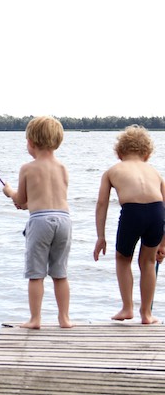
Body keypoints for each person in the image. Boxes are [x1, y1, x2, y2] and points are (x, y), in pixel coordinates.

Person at [3, 116, 73, 329]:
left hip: (40, 221)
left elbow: (21, 200)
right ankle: (64, 319)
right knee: (60, 273)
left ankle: (35, 319)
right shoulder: (62, 168)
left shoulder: (27, 168)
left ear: (31, 142)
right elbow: (47, 196)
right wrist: (26, 204)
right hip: (64, 220)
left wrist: (9, 193)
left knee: (36, 274)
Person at [93, 124, 165, 324]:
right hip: (156, 212)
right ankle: (147, 314)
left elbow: (101, 204)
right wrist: (163, 244)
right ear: (147, 153)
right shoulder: (155, 172)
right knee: (148, 262)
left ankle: (127, 308)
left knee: (123, 259)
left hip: (132, 213)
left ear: (119, 152)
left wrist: (101, 237)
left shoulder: (113, 171)